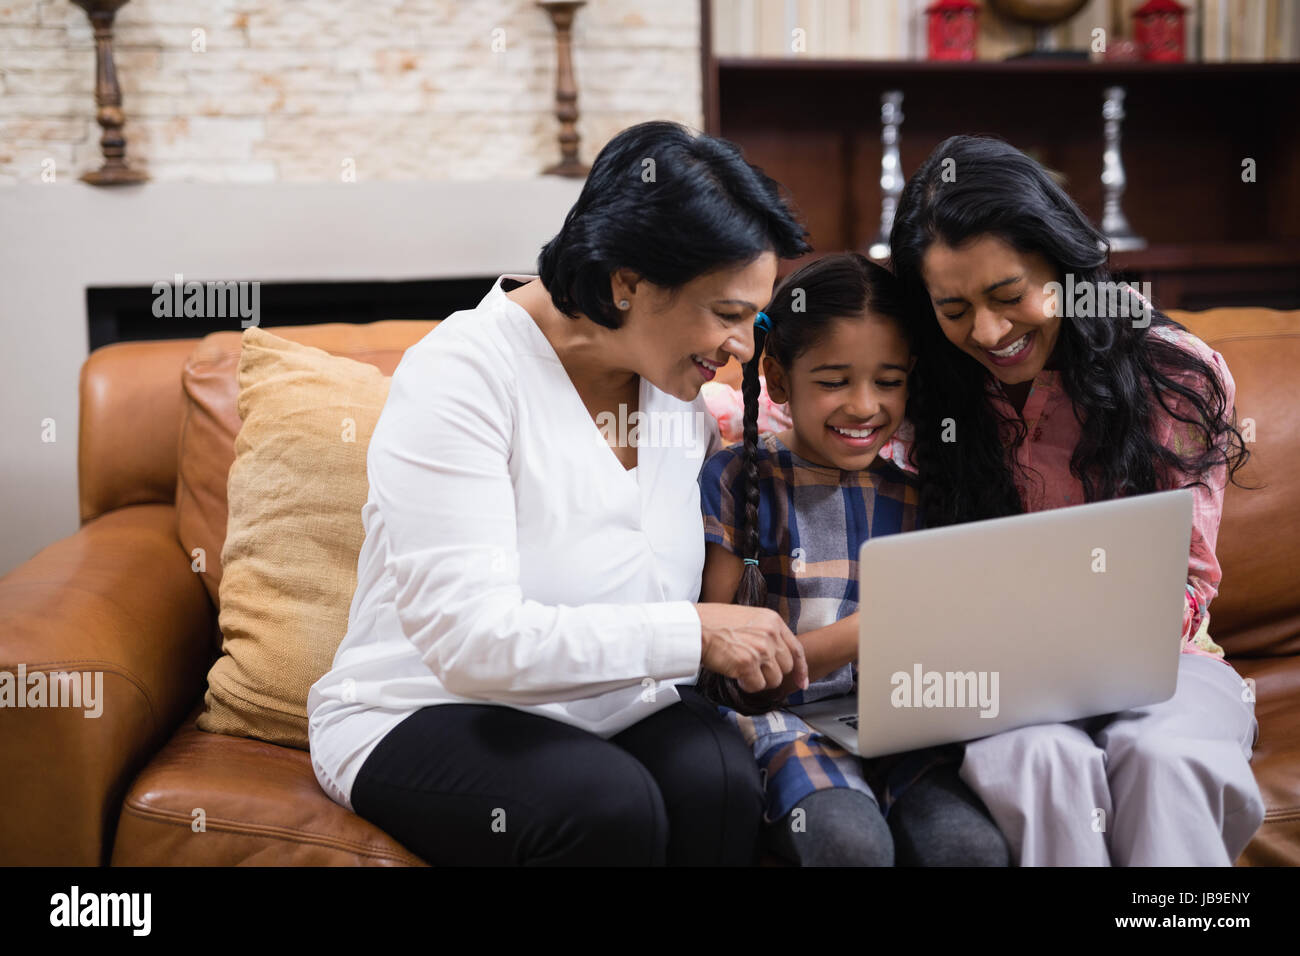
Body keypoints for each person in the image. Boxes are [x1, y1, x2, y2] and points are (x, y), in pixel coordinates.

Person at [306, 120, 813, 865]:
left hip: (610, 699)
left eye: (753, 318)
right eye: (727, 315)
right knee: (607, 808)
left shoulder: (678, 386)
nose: (740, 345)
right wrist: (695, 631)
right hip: (422, 707)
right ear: (626, 282)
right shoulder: (462, 375)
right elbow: (470, 642)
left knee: (721, 779)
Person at [886, 134, 1265, 866]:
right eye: (954, 307)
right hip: (998, 678)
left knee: (1165, 760)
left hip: (1169, 661)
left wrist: (1087, 651)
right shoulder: (927, 378)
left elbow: (1189, 581)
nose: (988, 332)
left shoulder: (1167, 373)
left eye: (1009, 295)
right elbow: (801, 400)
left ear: (1064, 264)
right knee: (1039, 764)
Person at [696, 252, 1010, 867]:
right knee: (848, 844)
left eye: (888, 382)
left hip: (900, 728)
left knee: (969, 848)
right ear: (780, 381)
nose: (865, 405)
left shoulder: (916, 492)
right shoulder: (738, 479)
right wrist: (868, 632)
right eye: (835, 381)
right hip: (786, 725)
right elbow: (720, 671)